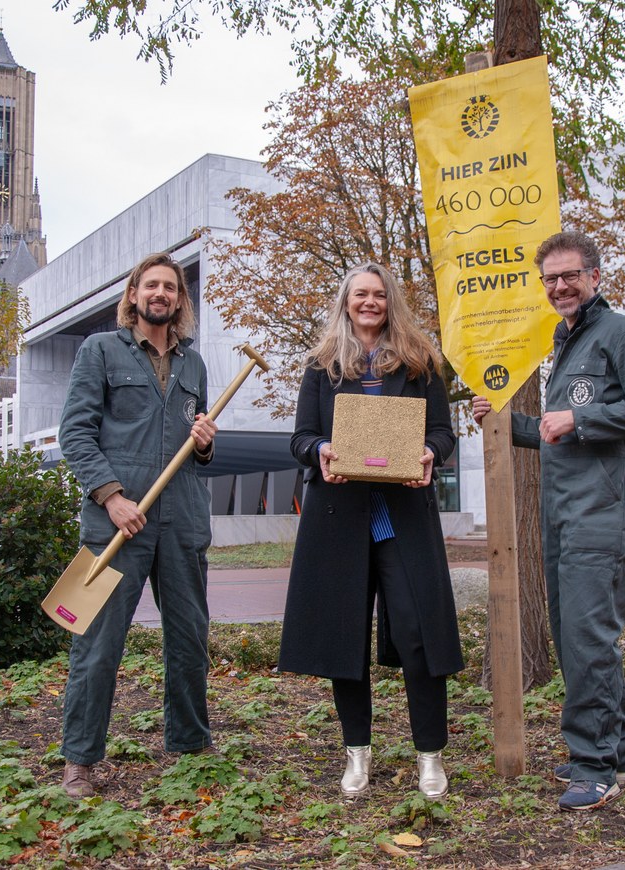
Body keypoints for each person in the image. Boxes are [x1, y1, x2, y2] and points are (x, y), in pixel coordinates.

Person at [472, 230, 625, 812]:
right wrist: (505, 423)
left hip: (603, 516)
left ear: (594, 276)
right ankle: (620, 756)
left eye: (570, 275)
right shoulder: (567, 343)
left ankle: (593, 766)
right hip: (565, 516)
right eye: (551, 278)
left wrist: (578, 419)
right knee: (578, 641)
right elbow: (555, 431)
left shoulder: (620, 332)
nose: (560, 286)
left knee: (588, 642)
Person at [279, 262, 462, 800]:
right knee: (345, 639)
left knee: (417, 635)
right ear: (346, 301)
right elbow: (300, 439)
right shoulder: (321, 366)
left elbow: (442, 433)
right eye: (360, 294)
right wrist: (321, 451)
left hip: (402, 519)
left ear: (390, 302)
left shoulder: (421, 362)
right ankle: (356, 753)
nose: (369, 303)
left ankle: (430, 755)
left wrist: (430, 452)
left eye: (379, 295)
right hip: (339, 522)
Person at [57, 252, 218, 798]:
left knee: (190, 640)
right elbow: (76, 434)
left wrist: (204, 444)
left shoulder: (194, 364)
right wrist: (111, 496)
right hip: (117, 524)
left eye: (171, 287)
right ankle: (80, 760)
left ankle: (191, 746)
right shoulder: (99, 351)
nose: (162, 294)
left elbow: (196, 450)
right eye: (151, 285)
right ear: (133, 295)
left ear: (180, 300)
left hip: (183, 520)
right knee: (98, 645)